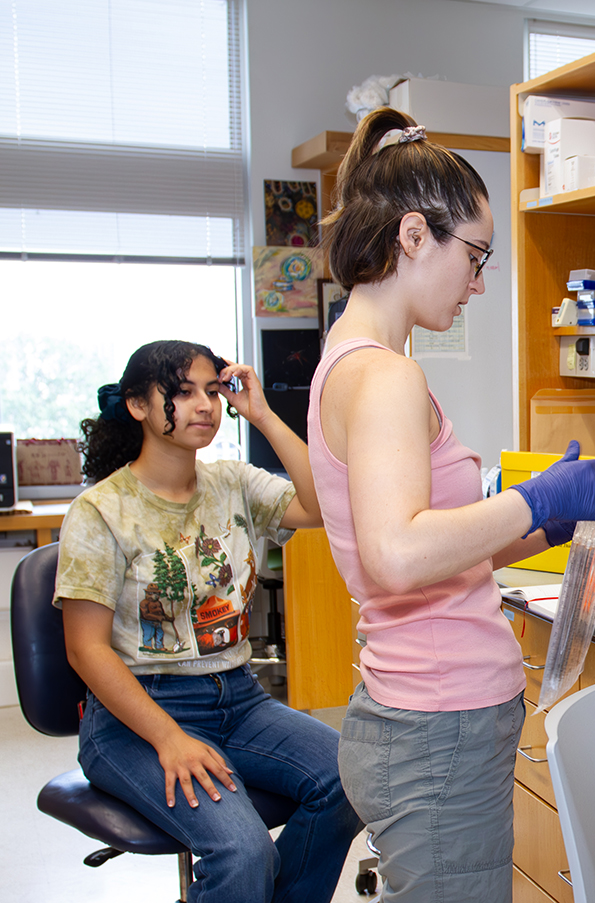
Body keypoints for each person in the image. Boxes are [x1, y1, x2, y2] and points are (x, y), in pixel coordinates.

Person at [310, 108, 595, 902]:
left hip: (421, 714)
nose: (480, 282)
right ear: (414, 235)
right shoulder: (385, 375)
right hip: (436, 724)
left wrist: (540, 521)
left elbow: (422, 553)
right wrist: (534, 495)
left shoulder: (352, 358)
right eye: (477, 256)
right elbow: (395, 554)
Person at [55, 340, 362, 903]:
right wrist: (169, 738)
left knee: (350, 781)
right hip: (138, 717)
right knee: (244, 852)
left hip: (239, 700)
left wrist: (264, 414)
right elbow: (86, 650)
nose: (204, 405)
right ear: (138, 406)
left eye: (212, 391)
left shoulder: (232, 483)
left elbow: (323, 506)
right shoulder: (101, 510)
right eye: (181, 392)